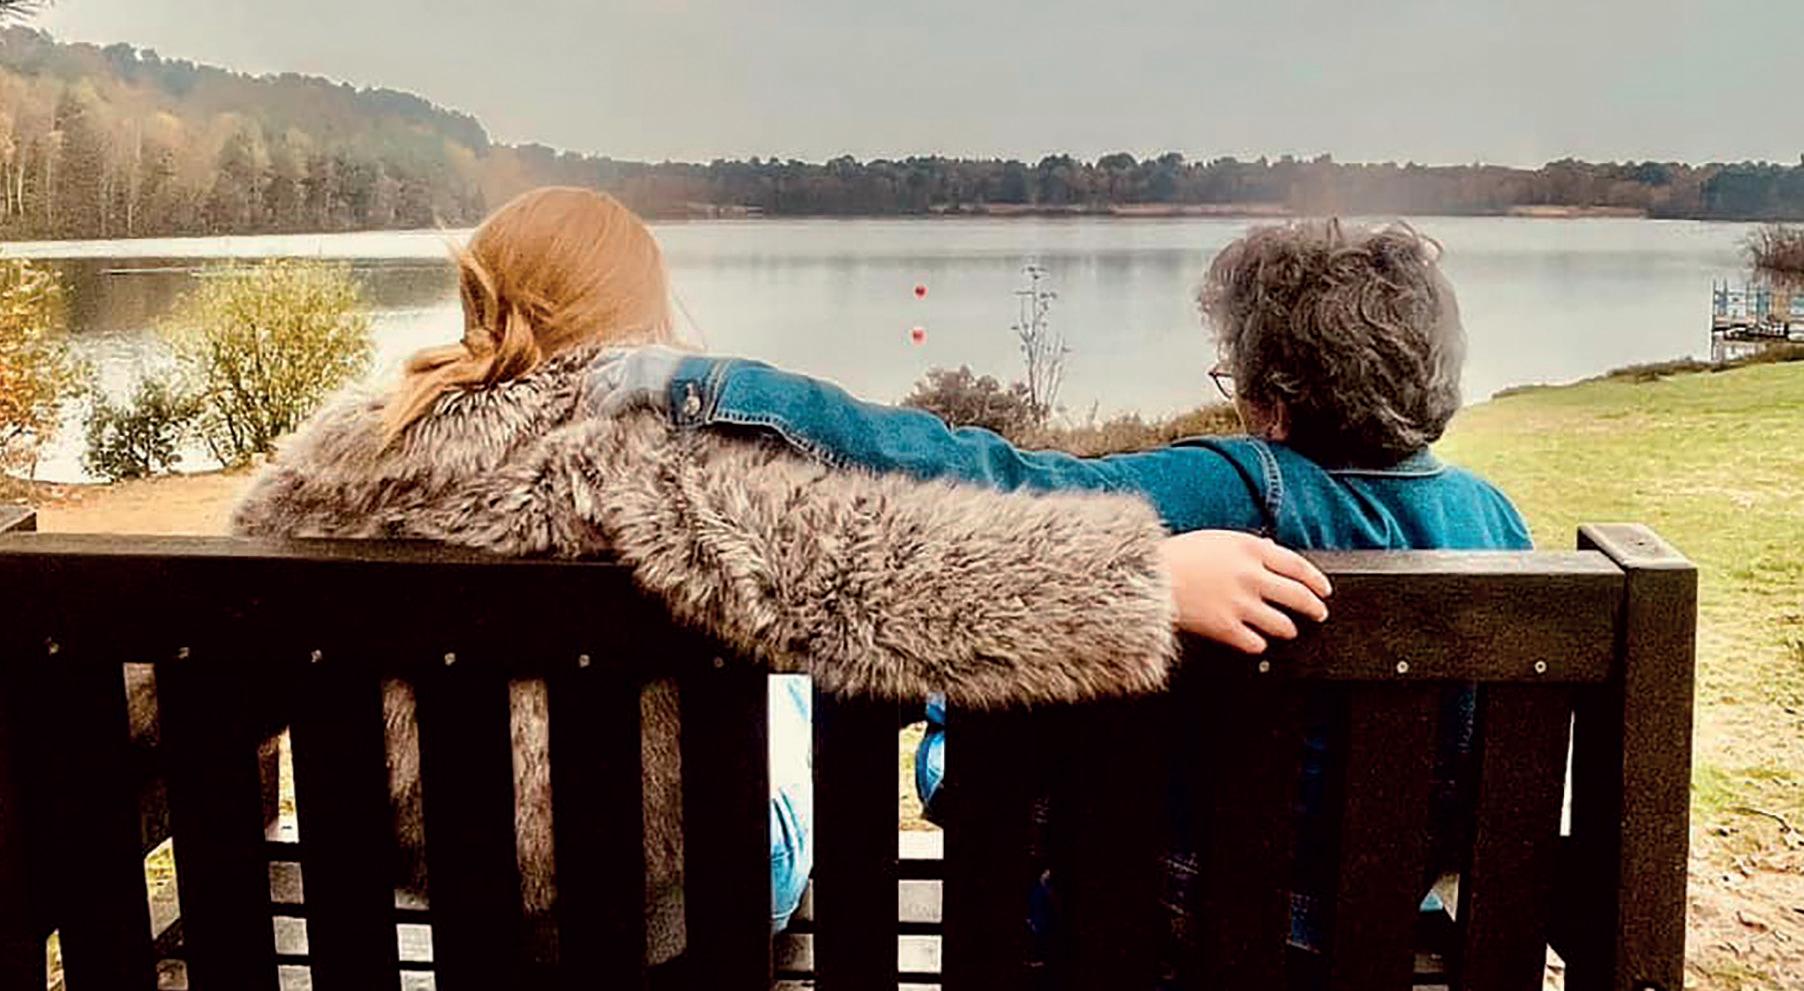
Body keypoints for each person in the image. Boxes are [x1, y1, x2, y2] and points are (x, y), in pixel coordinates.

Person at [230, 187, 1332, 970]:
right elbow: (883, 575)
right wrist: (1144, 577)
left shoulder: (329, 472)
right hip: (672, 905)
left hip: (447, 891)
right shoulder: (652, 466)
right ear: (636, 314)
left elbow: (188, 671)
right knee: (786, 675)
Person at [584, 218, 1531, 970]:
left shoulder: (1240, 492)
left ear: (1275, 401)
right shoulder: (1495, 523)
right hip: (1370, 939)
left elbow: (978, 476)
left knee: (963, 739)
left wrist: (706, 387)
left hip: (1164, 928)